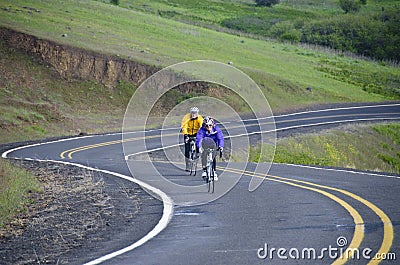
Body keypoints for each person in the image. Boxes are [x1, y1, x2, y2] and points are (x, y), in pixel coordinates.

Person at [196, 116, 224, 181]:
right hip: (205, 144)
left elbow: (220, 138)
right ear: (204, 126)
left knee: (213, 157)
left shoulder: (216, 129)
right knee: (204, 155)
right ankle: (204, 170)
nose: (209, 127)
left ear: (213, 125)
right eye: (207, 126)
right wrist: (199, 147)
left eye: (210, 125)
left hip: (213, 144)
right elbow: (199, 139)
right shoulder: (202, 130)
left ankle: (214, 172)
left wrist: (221, 146)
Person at [181, 107, 204, 171]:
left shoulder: (200, 118)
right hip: (188, 133)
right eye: (192, 113)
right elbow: (184, 127)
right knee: (187, 149)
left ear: (197, 113)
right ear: (190, 113)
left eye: (195, 113)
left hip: (196, 133)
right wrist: (185, 135)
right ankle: (187, 165)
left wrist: (200, 136)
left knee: (198, 146)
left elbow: (201, 127)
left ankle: (196, 157)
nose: (193, 114)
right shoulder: (186, 117)